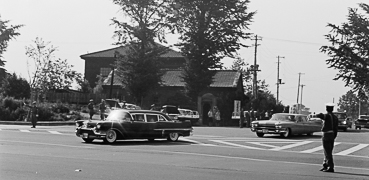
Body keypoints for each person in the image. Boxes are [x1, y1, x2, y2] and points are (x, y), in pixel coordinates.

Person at [316, 103, 339, 173]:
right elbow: (336, 128)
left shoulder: (327, 116)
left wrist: (316, 114)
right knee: (329, 151)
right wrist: (334, 136)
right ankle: (325, 164)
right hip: (332, 134)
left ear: (326, 109)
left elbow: (320, 115)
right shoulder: (335, 117)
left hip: (326, 134)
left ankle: (330, 166)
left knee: (327, 152)